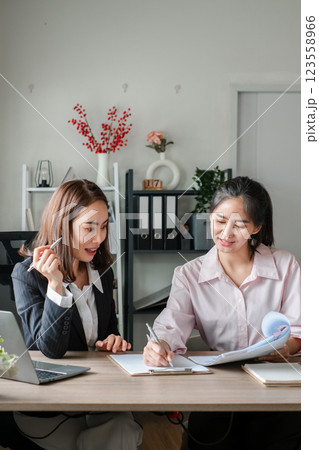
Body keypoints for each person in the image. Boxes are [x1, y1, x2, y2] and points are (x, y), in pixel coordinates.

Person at [143, 176, 301, 450]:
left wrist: (286, 347)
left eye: (239, 224)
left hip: (278, 386)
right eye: (219, 220)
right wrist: (158, 347)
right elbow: (171, 328)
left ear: (257, 227)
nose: (226, 233)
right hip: (219, 389)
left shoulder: (286, 265)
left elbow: (302, 329)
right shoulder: (189, 274)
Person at [12, 179, 143, 450]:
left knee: (123, 430)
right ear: (62, 227)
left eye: (104, 226)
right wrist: (56, 286)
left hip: (99, 397)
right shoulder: (27, 277)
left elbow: (110, 329)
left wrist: (113, 341)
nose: (99, 238)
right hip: (52, 408)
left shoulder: (102, 272)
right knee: (119, 436)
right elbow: (50, 350)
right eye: (89, 227)